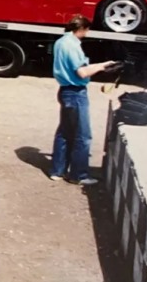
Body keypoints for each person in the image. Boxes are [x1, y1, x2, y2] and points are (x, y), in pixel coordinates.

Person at [49, 15, 117, 185]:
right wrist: (101, 67)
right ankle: (78, 175)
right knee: (82, 135)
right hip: (76, 93)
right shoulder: (72, 46)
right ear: (81, 29)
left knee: (65, 132)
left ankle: (57, 170)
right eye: (87, 30)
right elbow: (82, 72)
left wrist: (101, 64)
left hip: (65, 90)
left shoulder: (61, 42)